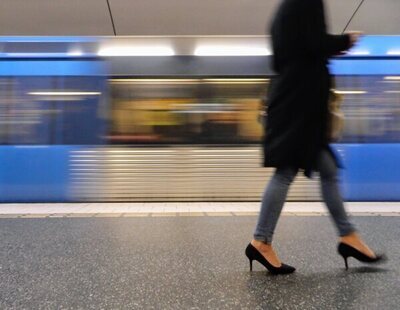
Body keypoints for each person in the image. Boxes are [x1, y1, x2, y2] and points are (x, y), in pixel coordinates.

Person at [245, 0, 386, 274]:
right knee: (286, 170)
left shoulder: (284, 10)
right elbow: (314, 42)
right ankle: (261, 241)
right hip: (300, 106)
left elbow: (293, 51)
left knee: (328, 169)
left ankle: (348, 237)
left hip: (295, 103)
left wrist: (329, 47)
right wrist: (345, 40)